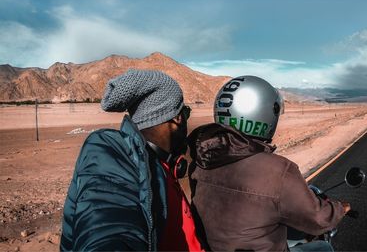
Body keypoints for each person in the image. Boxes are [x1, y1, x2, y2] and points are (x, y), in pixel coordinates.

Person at [187, 75, 350, 252]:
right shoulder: (279, 170)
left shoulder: (200, 159)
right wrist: (340, 208)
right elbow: (319, 218)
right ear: (263, 113)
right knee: (323, 248)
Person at [60, 69, 202, 251]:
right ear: (177, 117)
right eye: (186, 112)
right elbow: (108, 226)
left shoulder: (157, 163)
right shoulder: (112, 155)